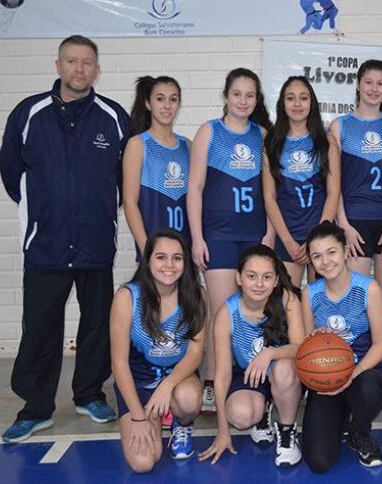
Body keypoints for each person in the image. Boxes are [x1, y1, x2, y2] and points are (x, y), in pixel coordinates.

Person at [0, 35, 129, 443]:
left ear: (97, 69)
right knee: (40, 328)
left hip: (95, 245)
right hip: (46, 246)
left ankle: (89, 394)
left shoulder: (114, 117)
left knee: (95, 326)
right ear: (58, 65)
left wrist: (99, 210)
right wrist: (41, 210)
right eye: (72, 61)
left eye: (87, 62)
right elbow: (10, 170)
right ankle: (36, 407)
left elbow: (128, 178)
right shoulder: (28, 113)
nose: (79, 69)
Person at [187, 68, 274, 414]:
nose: (243, 101)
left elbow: (270, 192)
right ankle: (213, 380)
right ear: (226, 95)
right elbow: (193, 188)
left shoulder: (263, 135)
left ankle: (255, 379)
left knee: (256, 312)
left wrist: (268, 231)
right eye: (237, 94)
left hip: (254, 235)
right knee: (222, 313)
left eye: (250, 95)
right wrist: (197, 237)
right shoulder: (209, 131)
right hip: (219, 234)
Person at [329, 59, 382, 393]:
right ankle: (357, 363)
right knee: (359, 295)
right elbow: (335, 181)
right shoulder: (340, 126)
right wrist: (344, 225)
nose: (374, 88)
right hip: (355, 223)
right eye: (368, 82)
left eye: (381, 83)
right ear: (358, 84)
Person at [199, 245, 304, 467]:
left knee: (284, 370)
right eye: (251, 276)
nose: (259, 283)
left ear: (276, 280)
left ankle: (287, 431)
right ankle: (264, 408)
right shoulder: (227, 312)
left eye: (267, 277)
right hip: (251, 375)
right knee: (241, 416)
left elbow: (300, 347)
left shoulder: (288, 300)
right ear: (238, 278)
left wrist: (271, 353)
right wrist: (223, 431)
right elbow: (223, 373)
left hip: (284, 373)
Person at [110, 229, 206, 471]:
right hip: (139, 381)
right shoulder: (127, 297)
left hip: (176, 378)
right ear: (148, 260)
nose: (169, 265)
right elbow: (119, 363)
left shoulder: (197, 295)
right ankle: (152, 416)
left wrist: (168, 385)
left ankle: (180, 425)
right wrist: (138, 417)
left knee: (188, 400)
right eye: (161, 257)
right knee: (143, 463)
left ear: (185, 262)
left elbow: (195, 353)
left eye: (177, 257)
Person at [301, 221, 382, 472]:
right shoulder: (309, 294)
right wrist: (316, 350)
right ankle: (338, 420)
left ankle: (359, 431)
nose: (325, 261)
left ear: (345, 252)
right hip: (327, 379)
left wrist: (351, 375)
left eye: (331, 252)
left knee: (372, 387)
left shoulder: (368, 289)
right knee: (319, 461)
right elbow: (306, 346)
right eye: (317, 256)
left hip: (362, 374)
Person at [262, 75, 340, 286]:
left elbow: (334, 192)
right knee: (288, 303)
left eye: (303, 98)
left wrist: (317, 238)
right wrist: (287, 240)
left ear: (311, 103)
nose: (297, 104)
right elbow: (269, 197)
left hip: (321, 234)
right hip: (287, 236)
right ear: (282, 104)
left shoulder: (326, 141)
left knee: (321, 304)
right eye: (290, 98)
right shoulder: (271, 143)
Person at [123, 76, 190, 258]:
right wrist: (147, 249)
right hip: (154, 246)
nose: (167, 106)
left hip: (185, 246)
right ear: (148, 103)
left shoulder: (188, 145)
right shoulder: (138, 144)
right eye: (160, 99)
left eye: (173, 99)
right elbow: (130, 202)